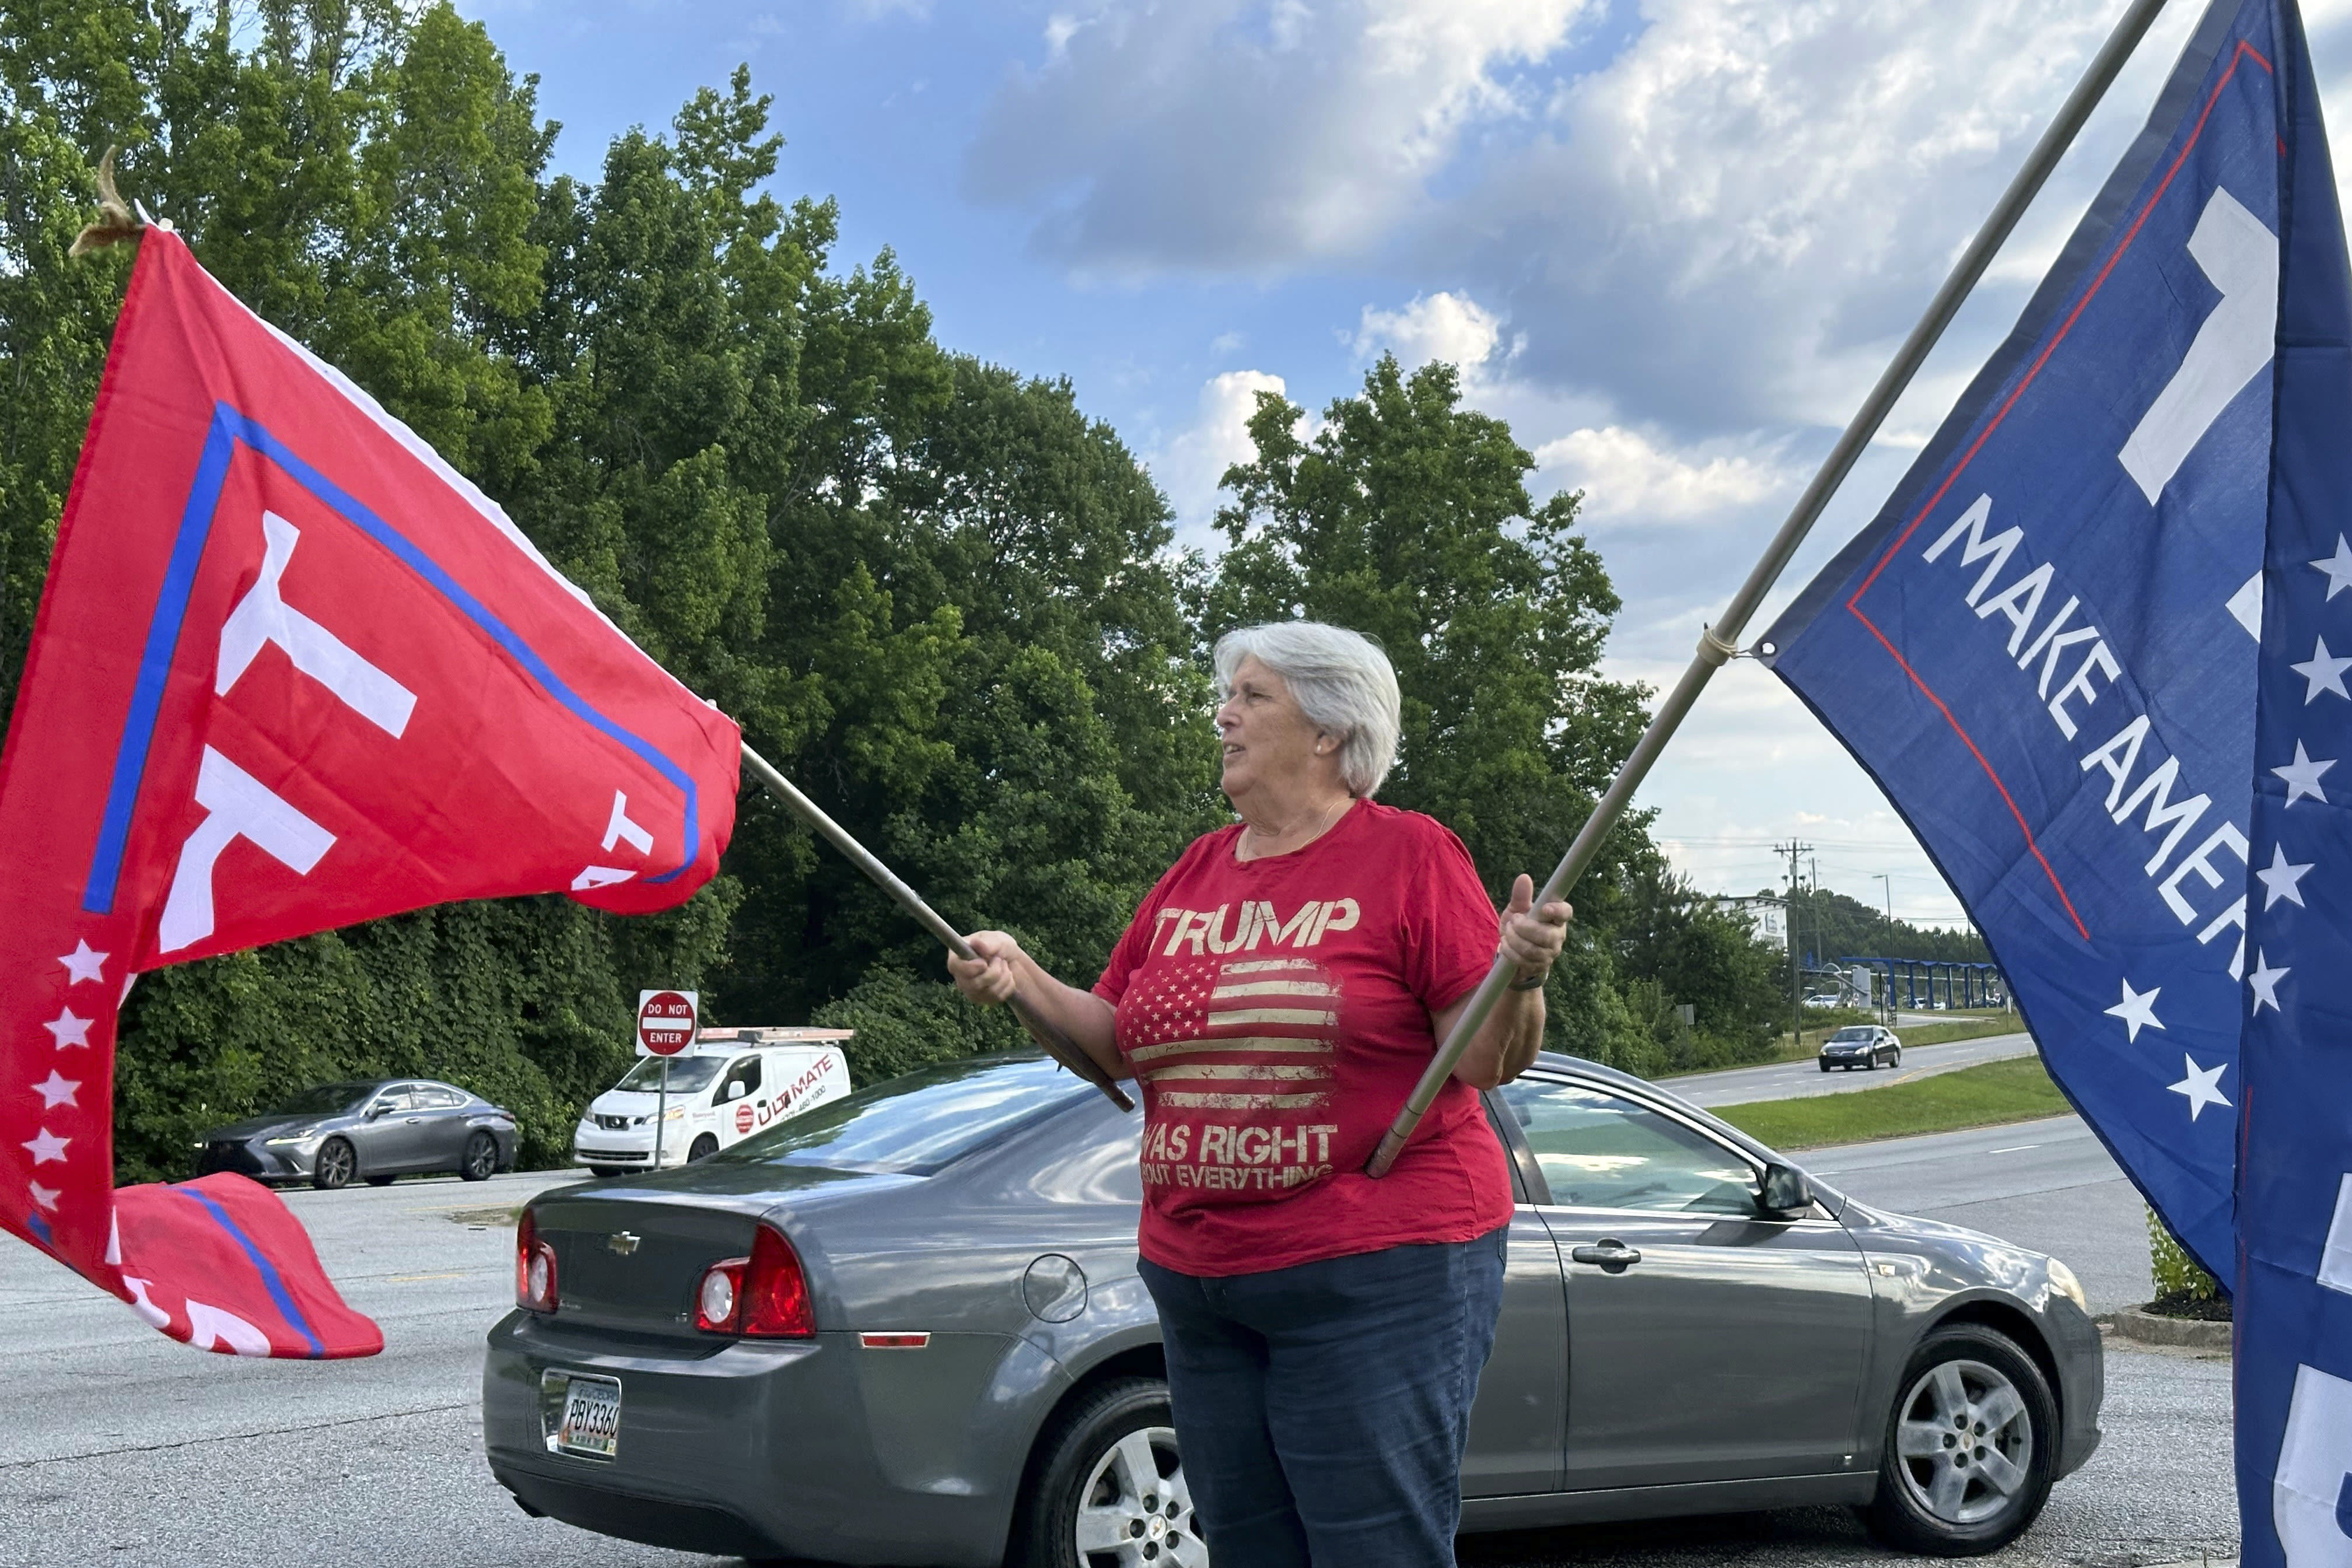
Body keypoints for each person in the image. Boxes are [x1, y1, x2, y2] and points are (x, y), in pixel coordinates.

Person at [949, 620, 1570, 1566]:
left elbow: (1484, 1061)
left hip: (1375, 1270)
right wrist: (1021, 977)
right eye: (1228, 696)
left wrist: (1518, 978)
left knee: (1372, 1547)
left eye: (1251, 696)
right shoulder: (1197, 871)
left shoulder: (1409, 856)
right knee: (1243, 1546)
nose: (1222, 716)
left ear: (1328, 731)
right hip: (1202, 1279)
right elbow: (1116, 1041)